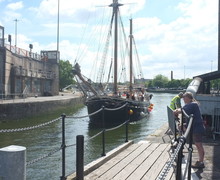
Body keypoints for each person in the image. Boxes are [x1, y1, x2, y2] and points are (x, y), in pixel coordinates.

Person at [173, 92, 205, 169]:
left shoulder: (192, 104)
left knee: (198, 145)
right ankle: (180, 146)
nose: (183, 99)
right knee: (181, 127)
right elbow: (182, 110)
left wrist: (175, 112)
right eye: (183, 97)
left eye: (185, 97)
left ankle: (201, 162)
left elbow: (180, 111)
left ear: (189, 98)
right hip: (194, 126)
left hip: (197, 128)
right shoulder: (191, 104)